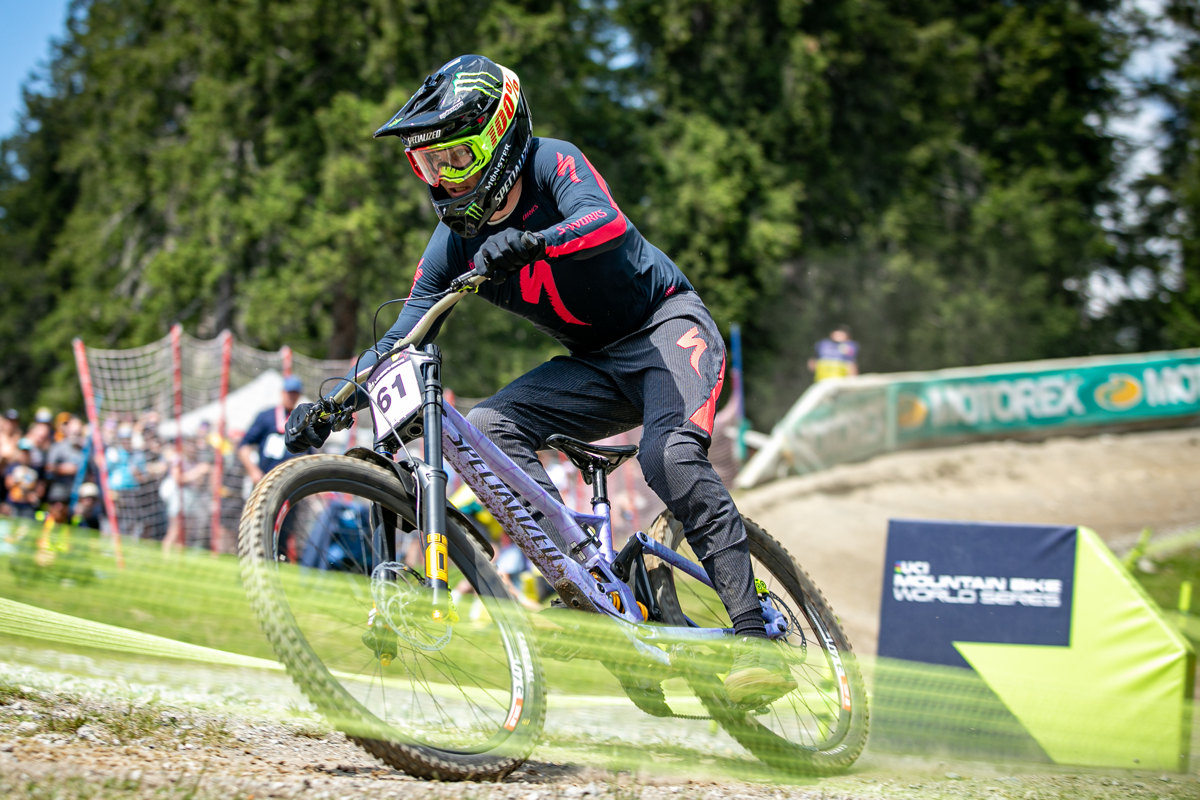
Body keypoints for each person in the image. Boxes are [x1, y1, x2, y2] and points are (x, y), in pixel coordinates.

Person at [283, 54, 794, 707]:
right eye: (426, 164)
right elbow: (401, 336)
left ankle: (758, 639)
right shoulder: (453, 244)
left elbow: (606, 222)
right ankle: (590, 587)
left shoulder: (552, 163)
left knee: (668, 459)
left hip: (667, 329)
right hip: (596, 364)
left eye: (453, 159)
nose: (440, 178)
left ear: (499, 137)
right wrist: (333, 404)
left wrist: (537, 241)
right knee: (490, 427)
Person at [240, 375, 315, 558]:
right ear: (282, 393)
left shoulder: (303, 421)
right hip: (264, 480)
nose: (291, 397)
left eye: (295, 393)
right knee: (256, 523)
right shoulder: (266, 417)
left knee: (283, 528)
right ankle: (250, 559)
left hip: (289, 485)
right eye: (289, 393)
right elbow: (243, 446)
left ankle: (276, 562)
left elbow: (311, 455)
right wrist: (253, 470)